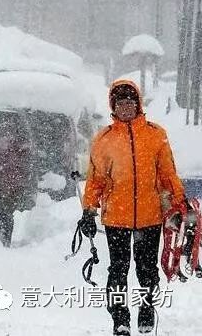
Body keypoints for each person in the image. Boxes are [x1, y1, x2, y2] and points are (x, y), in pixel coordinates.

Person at [79, 80, 187, 336]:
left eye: (130, 103)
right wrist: (88, 210)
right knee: (118, 270)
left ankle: (147, 310)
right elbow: (95, 180)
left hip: (150, 216)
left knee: (147, 270)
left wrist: (179, 201)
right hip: (116, 217)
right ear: (113, 106)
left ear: (137, 104)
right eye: (120, 104)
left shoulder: (155, 134)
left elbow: (167, 173)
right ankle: (120, 320)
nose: (126, 108)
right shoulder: (103, 139)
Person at [0, 117, 32, 247]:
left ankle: (3, 235)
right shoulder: (22, 146)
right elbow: (26, 166)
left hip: (0, 184)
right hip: (15, 185)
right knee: (8, 212)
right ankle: (6, 237)